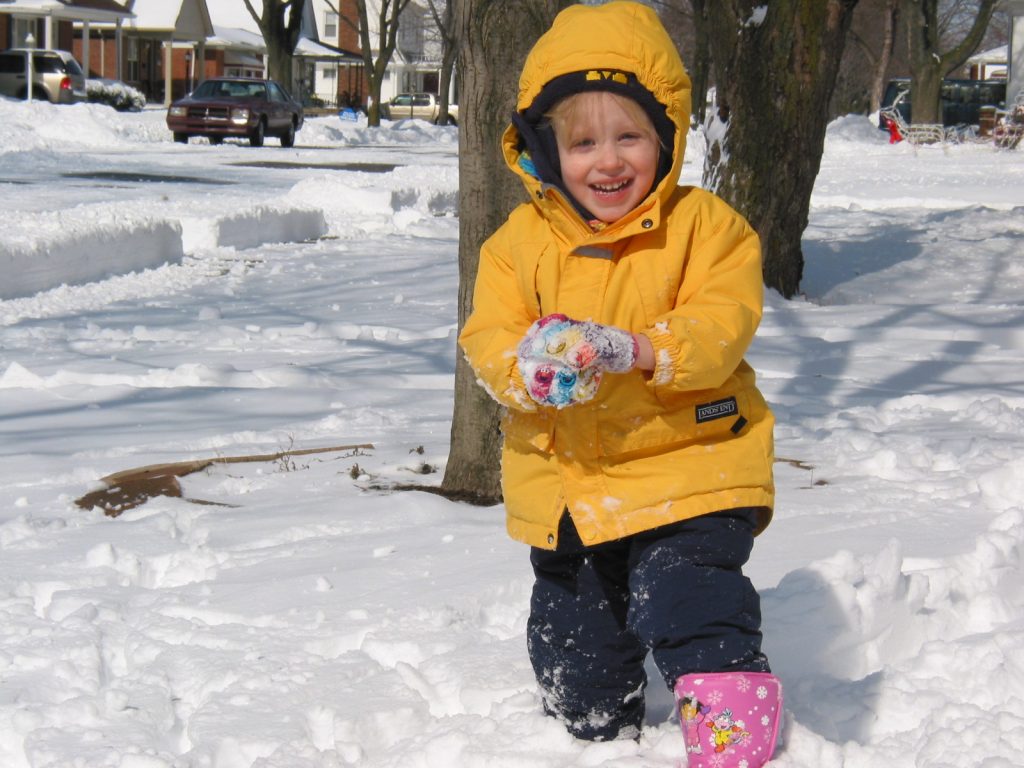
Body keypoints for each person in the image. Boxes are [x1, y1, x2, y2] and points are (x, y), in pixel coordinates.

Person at [458, 2, 782, 764]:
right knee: (574, 637)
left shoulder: (707, 228)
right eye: (582, 142)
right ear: (543, 148)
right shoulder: (516, 247)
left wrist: (637, 348)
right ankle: (597, 738)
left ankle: (734, 743)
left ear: (664, 138)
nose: (608, 161)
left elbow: (719, 322)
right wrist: (529, 371)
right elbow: (488, 337)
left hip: (688, 468)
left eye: (628, 136)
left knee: (688, 597)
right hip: (571, 486)